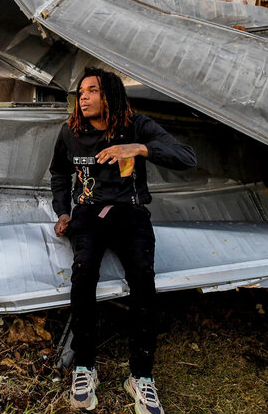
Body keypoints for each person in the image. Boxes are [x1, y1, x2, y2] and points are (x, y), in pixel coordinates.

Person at [50, 68, 196, 414]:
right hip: (87, 213)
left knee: (143, 280)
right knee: (83, 276)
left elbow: (187, 157)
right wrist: (62, 211)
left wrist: (140, 148)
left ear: (110, 95)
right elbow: (59, 173)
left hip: (130, 213)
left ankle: (141, 376)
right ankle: (86, 367)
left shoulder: (136, 125)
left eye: (92, 91)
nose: (82, 97)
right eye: (80, 92)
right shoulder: (70, 133)